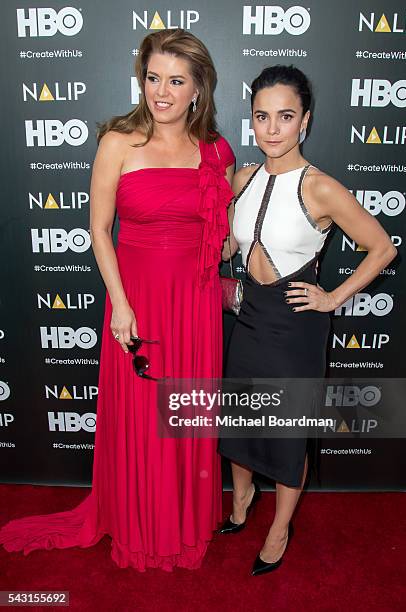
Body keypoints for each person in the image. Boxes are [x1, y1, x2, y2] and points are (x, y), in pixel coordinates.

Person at [0, 29, 234, 572]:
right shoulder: (117, 142)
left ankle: (185, 522)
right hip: (139, 302)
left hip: (195, 307)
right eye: (153, 78)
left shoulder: (217, 150)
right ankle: (141, 524)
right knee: (142, 418)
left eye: (177, 81)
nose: (162, 92)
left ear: (199, 88)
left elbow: (220, 235)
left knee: (187, 416)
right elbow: (99, 230)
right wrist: (122, 305)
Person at [218, 65, 396, 576]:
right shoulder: (243, 178)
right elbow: (237, 240)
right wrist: (229, 244)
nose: (272, 128)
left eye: (286, 116)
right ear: (251, 121)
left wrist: (333, 296)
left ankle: (279, 529)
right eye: (262, 117)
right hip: (248, 315)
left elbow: (382, 247)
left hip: (295, 325)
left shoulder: (320, 187)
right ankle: (241, 502)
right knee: (241, 417)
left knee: (288, 430)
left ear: (306, 122)